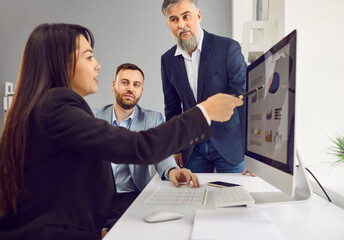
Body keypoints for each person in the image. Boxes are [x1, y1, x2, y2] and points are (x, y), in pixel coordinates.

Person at [0, 23, 243, 240]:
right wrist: (204, 112)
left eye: (137, 84)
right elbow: (139, 146)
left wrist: (171, 170)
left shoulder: (44, 107)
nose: (98, 65)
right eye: (88, 57)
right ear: (61, 63)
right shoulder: (57, 107)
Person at [95, 63, 198, 223]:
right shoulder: (94, 117)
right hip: (96, 195)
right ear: (114, 85)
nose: (130, 88)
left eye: (136, 85)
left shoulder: (152, 119)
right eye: (125, 82)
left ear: (141, 91)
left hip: (131, 195)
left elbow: (161, 153)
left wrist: (173, 170)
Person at [161, 0, 247, 173]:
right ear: (168, 23)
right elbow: (172, 109)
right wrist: (176, 147)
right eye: (174, 19)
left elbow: (245, 100)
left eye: (186, 16)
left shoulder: (228, 48)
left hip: (230, 146)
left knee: (235, 197)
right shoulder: (167, 60)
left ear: (198, 16)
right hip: (192, 150)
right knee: (193, 198)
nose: (181, 25)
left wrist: (251, 153)